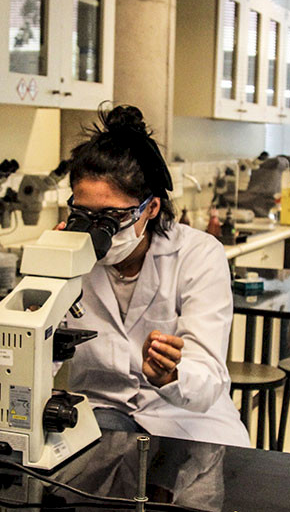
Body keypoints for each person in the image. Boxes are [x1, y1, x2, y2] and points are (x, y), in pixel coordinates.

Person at [60, 104, 249, 448]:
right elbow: (31, 354)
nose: (98, 228)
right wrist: (50, 272)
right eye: (85, 213)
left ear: (151, 207)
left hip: (184, 417)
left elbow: (207, 374)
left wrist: (171, 375)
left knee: (182, 496)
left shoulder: (198, 254)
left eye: (112, 215)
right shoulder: (67, 254)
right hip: (101, 410)